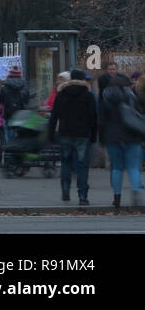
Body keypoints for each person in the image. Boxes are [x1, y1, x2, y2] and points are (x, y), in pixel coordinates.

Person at [48, 68, 97, 205]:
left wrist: (51, 134)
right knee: (82, 165)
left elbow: (54, 116)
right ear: (82, 80)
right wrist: (93, 136)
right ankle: (82, 195)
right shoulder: (88, 95)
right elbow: (93, 118)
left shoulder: (61, 94)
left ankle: (65, 189)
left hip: (65, 133)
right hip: (83, 135)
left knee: (66, 163)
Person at [98, 72, 144, 209]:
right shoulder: (132, 97)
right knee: (133, 167)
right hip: (132, 136)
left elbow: (101, 122)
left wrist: (102, 140)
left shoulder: (105, 98)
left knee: (117, 168)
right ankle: (136, 189)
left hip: (112, 138)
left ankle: (116, 198)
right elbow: (138, 118)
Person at [0, 65, 29, 141]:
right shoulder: (24, 86)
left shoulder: (5, 87)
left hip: (8, 114)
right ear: (20, 75)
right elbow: (27, 100)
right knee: (20, 138)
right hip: (21, 115)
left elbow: (0, 101)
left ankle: (10, 151)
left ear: (9, 75)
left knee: (9, 139)